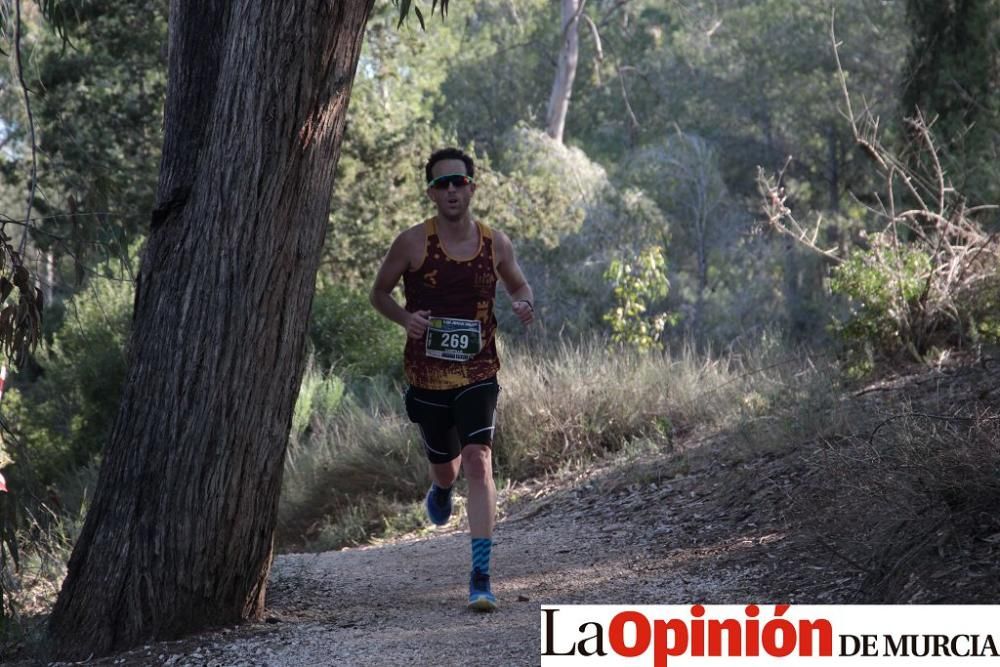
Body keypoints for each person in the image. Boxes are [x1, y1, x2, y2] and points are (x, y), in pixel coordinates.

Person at [370, 147, 534, 611]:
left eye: (458, 182)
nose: (451, 191)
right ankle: (441, 487)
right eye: (442, 184)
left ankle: (481, 576)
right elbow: (378, 293)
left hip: (480, 370)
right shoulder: (411, 244)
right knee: (447, 466)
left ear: (471, 187)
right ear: (432, 193)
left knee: (478, 458)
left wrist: (524, 302)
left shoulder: (495, 243)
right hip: (427, 374)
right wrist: (406, 319)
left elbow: (519, 285)